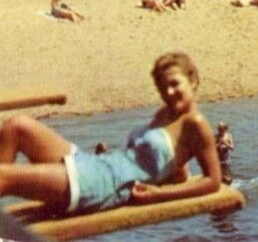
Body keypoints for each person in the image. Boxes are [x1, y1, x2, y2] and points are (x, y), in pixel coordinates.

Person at [0, 52, 221, 214]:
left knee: (3, 175)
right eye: (163, 87)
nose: (169, 92)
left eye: (175, 84)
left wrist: (158, 194)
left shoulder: (197, 124)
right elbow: (171, 156)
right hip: (96, 166)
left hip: (104, 186)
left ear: (193, 81)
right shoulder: (166, 113)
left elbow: (213, 181)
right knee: (16, 126)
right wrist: (176, 170)